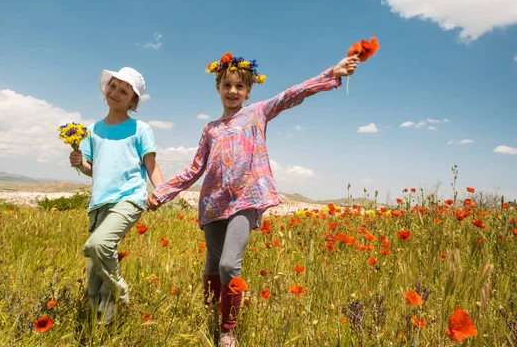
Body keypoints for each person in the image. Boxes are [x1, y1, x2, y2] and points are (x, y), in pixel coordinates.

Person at [146, 53, 359, 346]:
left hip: (246, 200)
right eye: (227, 85)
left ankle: (228, 330)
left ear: (248, 91)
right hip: (213, 203)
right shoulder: (210, 129)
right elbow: (195, 169)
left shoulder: (258, 112)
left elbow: (291, 95)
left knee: (228, 265)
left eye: (240, 87)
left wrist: (331, 73)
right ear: (218, 88)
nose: (233, 91)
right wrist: (163, 192)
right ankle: (210, 312)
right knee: (211, 264)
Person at [69, 67, 164, 324]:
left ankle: (119, 288)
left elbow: (150, 164)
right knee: (94, 272)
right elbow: (92, 169)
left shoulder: (140, 129)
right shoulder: (91, 130)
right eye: (113, 86)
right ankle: (102, 326)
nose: (116, 93)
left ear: (133, 101)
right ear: (106, 88)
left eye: (124, 91)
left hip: (129, 199)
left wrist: (161, 191)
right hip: (99, 203)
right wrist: (79, 162)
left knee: (97, 246)